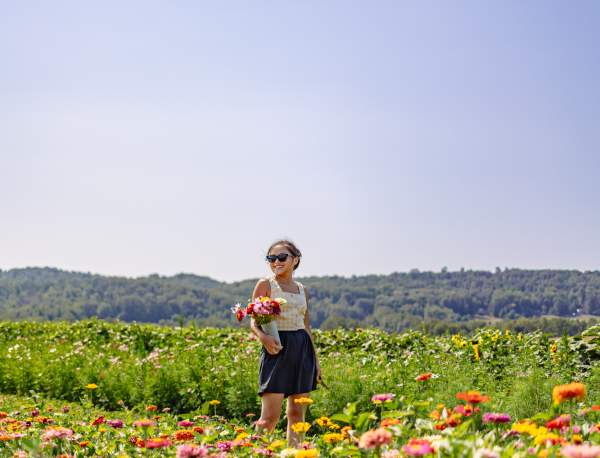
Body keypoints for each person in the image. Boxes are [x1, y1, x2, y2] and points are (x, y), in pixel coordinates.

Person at [250, 239, 321, 447]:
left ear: (295, 259)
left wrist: (316, 362)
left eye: (282, 257)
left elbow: (306, 326)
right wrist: (263, 337)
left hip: (302, 349)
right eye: (271, 258)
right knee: (269, 418)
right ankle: (256, 452)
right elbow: (253, 321)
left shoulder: (302, 290)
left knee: (297, 414)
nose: (276, 262)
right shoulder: (265, 284)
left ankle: (294, 452)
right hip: (276, 350)